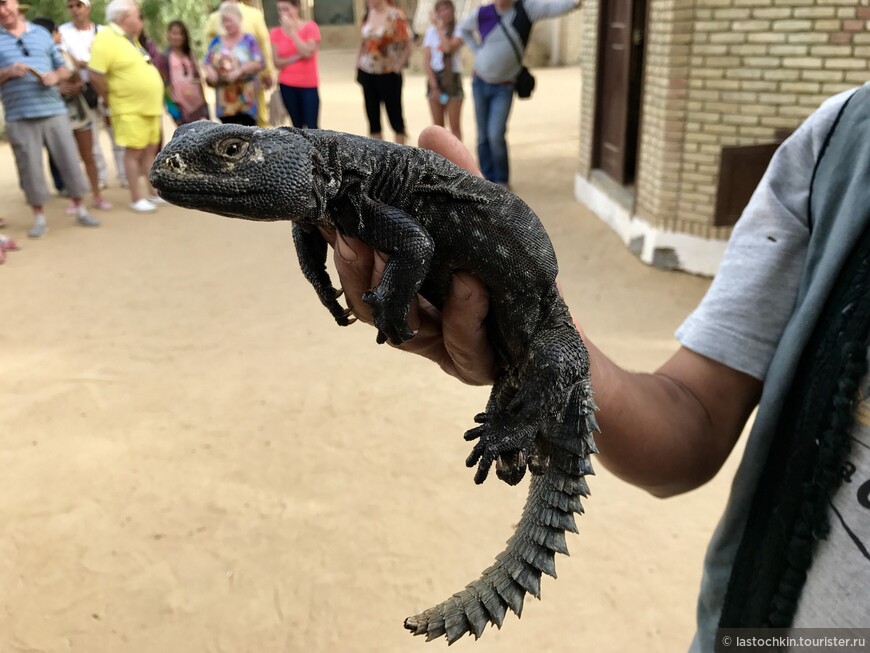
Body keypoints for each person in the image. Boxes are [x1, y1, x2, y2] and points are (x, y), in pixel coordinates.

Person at [324, 83, 870, 649]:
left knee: (525, 400)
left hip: (549, 370)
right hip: (758, 625)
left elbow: (559, 361)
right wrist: (524, 319)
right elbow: (692, 419)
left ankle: (514, 429)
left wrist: (515, 409)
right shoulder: (842, 147)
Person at [0, 0, 101, 238]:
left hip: (54, 111)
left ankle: (81, 209)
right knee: (29, 168)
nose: (2, 11)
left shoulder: (43, 34)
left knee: (68, 161)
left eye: (5, 3)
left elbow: (63, 68)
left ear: (16, 5)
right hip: (19, 116)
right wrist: (8, 72)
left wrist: (55, 76)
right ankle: (39, 218)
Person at [458, 0, 580, 187]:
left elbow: (552, 8)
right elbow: (463, 29)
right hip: (480, 83)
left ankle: (501, 181)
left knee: (496, 134)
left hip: (504, 87)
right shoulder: (483, 13)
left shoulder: (526, 9)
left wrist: (575, 3)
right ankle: (484, 181)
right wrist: (478, 51)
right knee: (482, 136)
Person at [88, 0, 165, 214]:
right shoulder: (106, 37)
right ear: (123, 17)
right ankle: (136, 197)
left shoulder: (131, 40)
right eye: (137, 15)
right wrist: (110, 98)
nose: (140, 20)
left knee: (151, 150)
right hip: (129, 107)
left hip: (149, 107)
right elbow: (95, 74)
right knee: (134, 153)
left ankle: (152, 192)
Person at [33, 16, 111, 213]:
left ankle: (96, 195)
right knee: (66, 157)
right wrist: (58, 89)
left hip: (78, 110)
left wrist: (75, 84)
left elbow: (77, 77)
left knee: (88, 153)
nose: (59, 36)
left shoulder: (65, 54)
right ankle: (75, 199)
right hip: (55, 113)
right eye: (55, 32)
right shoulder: (37, 58)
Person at [59, 0, 126, 188]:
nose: (74, 10)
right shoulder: (63, 32)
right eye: (71, 6)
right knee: (91, 139)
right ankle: (100, 177)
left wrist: (84, 63)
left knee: (116, 133)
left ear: (87, 7)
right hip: (80, 91)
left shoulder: (103, 32)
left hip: (105, 87)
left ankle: (123, 174)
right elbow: (65, 61)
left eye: (78, 5)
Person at [203, 0, 273, 128]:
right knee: (228, 135)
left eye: (230, 20)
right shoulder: (216, 41)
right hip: (225, 101)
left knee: (248, 133)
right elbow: (207, 61)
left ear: (239, 19)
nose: (227, 24)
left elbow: (260, 62)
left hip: (246, 99)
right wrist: (211, 72)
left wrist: (240, 70)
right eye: (224, 21)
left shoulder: (249, 40)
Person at [356, 0, 412, 144]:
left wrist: (399, 64)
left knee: (395, 117)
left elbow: (407, 42)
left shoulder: (395, 15)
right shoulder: (367, 14)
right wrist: (358, 64)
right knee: (373, 117)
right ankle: (378, 158)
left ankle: (400, 156)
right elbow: (363, 42)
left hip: (388, 73)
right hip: (368, 71)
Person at [270, 0, 320, 129]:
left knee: (312, 126)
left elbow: (308, 52)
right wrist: (296, 57)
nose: (283, 13)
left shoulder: (310, 27)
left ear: (296, 8)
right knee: (296, 126)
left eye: (286, 9)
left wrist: (292, 33)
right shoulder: (276, 32)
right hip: (287, 84)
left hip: (308, 84)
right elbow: (276, 62)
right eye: (280, 10)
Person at [423, 0, 464, 141]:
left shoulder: (458, 29)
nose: (445, 13)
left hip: (452, 77)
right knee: (438, 128)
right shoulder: (430, 32)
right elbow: (427, 61)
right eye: (441, 10)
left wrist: (440, 29)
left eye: (447, 9)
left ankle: (457, 160)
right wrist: (433, 85)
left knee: (455, 126)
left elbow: (448, 47)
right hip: (435, 77)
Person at [157, 20, 209, 126]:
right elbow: (164, 86)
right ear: (168, 35)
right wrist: (173, 110)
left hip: (197, 105)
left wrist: (205, 105)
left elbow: (198, 80)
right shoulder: (164, 58)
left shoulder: (189, 55)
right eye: (174, 33)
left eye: (181, 34)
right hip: (180, 107)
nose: (178, 37)